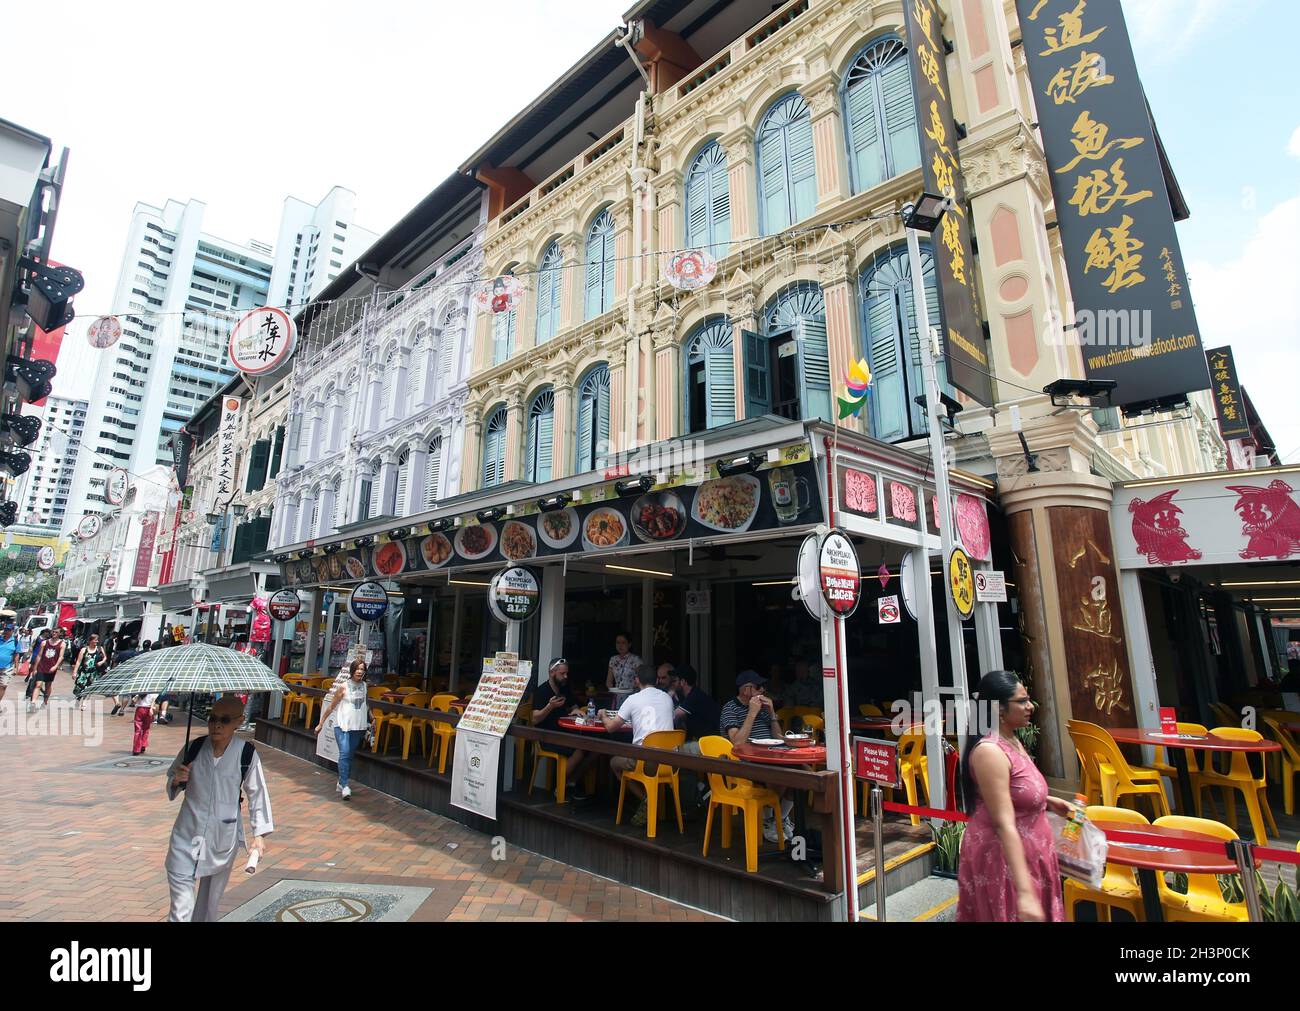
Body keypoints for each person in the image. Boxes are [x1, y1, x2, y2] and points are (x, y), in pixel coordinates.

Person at [956, 670, 1073, 923]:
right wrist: (1024, 892)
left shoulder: (1012, 740)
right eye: (1021, 701)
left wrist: (1048, 801)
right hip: (1005, 863)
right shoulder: (990, 752)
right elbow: (1003, 822)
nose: (1030, 706)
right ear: (998, 709)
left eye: (1028, 699)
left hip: (1030, 856)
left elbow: (1013, 791)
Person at [164, 695, 273, 921]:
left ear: (239, 721)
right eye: (213, 718)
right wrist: (177, 779)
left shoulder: (246, 754)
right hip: (187, 834)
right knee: (181, 907)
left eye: (224, 720)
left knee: (208, 906)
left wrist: (259, 835)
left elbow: (257, 793)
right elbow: (172, 782)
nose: (216, 725)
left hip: (222, 837)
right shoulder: (193, 748)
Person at [720, 670, 793, 842]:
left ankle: (779, 818)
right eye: (759, 687)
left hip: (770, 755)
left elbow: (778, 739)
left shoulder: (763, 709)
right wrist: (752, 713)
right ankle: (769, 820)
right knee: (779, 777)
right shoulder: (730, 708)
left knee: (802, 772)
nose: (763, 691)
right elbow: (737, 743)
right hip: (744, 762)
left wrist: (772, 713)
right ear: (746, 690)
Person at [601, 664, 675, 827]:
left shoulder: (632, 699)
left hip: (645, 762)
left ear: (636, 681)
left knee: (614, 762)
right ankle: (651, 800)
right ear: (656, 680)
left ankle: (645, 799)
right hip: (669, 762)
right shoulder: (667, 698)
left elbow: (611, 728)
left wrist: (603, 715)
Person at [530, 658, 599, 800]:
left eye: (567, 673)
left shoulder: (564, 688)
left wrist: (576, 711)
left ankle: (571, 781)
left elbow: (572, 704)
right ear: (552, 672)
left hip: (565, 732)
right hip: (547, 735)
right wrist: (550, 707)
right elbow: (534, 718)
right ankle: (560, 786)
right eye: (562, 673)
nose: (565, 677)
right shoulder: (542, 691)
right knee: (580, 749)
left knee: (595, 748)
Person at [314, 658, 369, 799]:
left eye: (362, 669)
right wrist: (321, 724)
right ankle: (345, 785)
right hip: (343, 726)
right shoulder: (343, 687)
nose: (360, 671)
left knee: (349, 756)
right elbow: (332, 706)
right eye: (357, 669)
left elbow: (365, 704)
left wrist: (372, 717)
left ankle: (341, 781)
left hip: (358, 726)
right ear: (352, 670)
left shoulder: (364, 686)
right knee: (344, 753)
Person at [26, 629, 64, 710]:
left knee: (48, 685)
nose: (54, 633)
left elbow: (61, 657)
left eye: (56, 632)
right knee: (38, 684)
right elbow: (39, 655)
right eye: (53, 632)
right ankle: (33, 702)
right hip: (42, 666)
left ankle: (45, 700)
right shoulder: (44, 642)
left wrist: (56, 666)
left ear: (59, 634)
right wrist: (35, 668)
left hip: (51, 667)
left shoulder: (62, 644)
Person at [72, 633, 108, 709]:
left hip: (93, 673)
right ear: (90, 641)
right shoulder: (84, 650)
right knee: (79, 686)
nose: (97, 642)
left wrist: (101, 662)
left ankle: (84, 703)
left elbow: (105, 657)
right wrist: (74, 672)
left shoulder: (99, 649)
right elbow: (78, 661)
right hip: (83, 672)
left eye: (97, 640)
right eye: (95, 640)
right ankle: (78, 697)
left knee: (89, 688)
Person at [108, 635, 141, 717]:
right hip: (132, 675)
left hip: (121, 674)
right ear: (137, 646)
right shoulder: (138, 655)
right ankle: (122, 710)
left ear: (128, 644)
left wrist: (112, 672)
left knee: (114, 690)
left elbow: (115, 664)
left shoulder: (122, 653)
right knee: (126, 694)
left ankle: (117, 703)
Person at [133, 691, 159, 755]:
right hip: (148, 710)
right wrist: (151, 709)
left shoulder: (141, 691)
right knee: (146, 729)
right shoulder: (154, 691)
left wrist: (137, 696)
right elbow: (153, 701)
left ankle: (136, 749)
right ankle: (143, 745)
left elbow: (134, 701)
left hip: (139, 709)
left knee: (137, 730)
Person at [0, 624, 18, 705]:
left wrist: (16, 667)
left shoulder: (15, 641)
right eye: (5, 629)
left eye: (8, 630)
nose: (6, 631)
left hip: (7, 667)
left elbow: (16, 655)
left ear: (12, 631)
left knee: (3, 686)